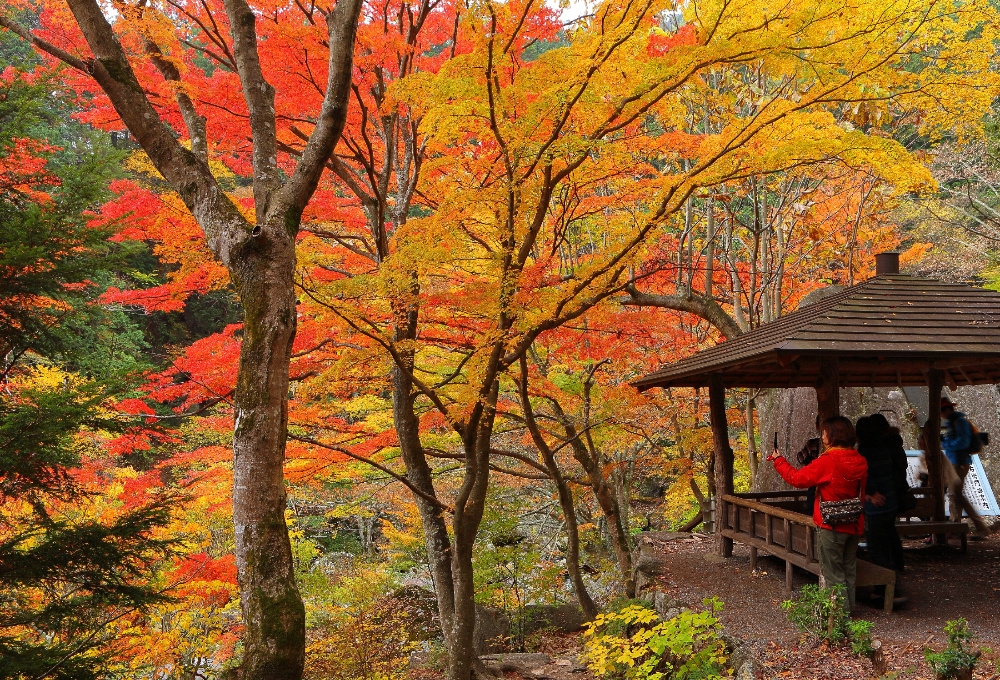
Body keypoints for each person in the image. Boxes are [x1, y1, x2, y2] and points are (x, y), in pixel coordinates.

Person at [769, 416, 868, 611]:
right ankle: (849, 611)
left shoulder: (828, 461)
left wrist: (779, 460)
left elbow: (797, 479)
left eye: (824, 433)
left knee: (833, 574)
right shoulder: (860, 460)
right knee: (849, 569)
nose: (822, 437)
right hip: (854, 523)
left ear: (833, 435)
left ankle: (838, 617)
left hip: (831, 525)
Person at [940, 397, 989, 536]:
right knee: (955, 495)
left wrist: (945, 443)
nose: (941, 415)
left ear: (947, 410)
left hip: (959, 462)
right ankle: (956, 527)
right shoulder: (953, 423)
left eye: (941, 411)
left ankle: (979, 526)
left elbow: (962, 442)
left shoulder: (960, 422)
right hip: (954, 462)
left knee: (955, 494)